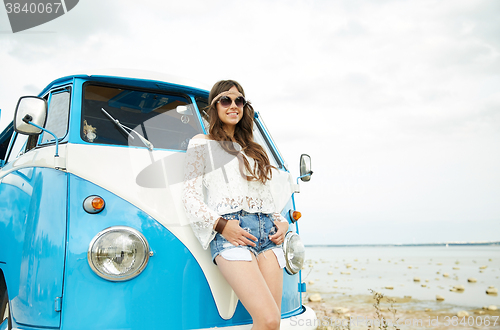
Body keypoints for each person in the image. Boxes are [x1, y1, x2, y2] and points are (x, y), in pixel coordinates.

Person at [182, 80, 289, 330]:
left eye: (239, 100)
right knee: (268, 319)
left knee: (273, 324)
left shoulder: (254, 150)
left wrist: (282, 222)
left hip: (268, 234)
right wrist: (222, 226)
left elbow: (267, 199)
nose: (233, 105)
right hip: (233, 232)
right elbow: (190, 197)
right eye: (226, 100)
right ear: (214, 107)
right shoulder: (203, 143)